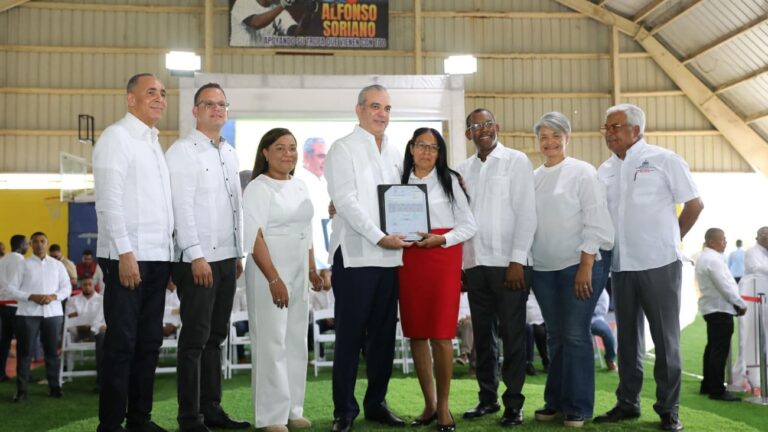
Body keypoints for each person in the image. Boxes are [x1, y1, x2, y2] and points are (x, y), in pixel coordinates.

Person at [594, 103, 703, 432]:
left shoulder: (664, 160)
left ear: (635, 130)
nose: (609, 133)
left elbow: (695, 203)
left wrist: (672, 238)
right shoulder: (605, 170)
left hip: (659, 264)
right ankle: (628, 403)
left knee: (665, 340)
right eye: (607, 128)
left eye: (616, 127)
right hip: (621, 266)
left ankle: (668, 409)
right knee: (627, 339)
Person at [324, 84, 410, 432]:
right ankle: (344, 410)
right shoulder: (342, 149)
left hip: (390, 260)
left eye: (387, 108)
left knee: (384, 338)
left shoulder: (394, 151)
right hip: (356, 257)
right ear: (359, 109)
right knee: (349, 337)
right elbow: (344, 201)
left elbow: (407, 197)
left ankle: (376, 404)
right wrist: (379, 236)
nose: (382, 114)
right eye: (375, 106)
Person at [165, 82, 250, 432]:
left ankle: (212, 409)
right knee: (195, 339)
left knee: (216, 337)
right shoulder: (182, 151)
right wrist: (195, 254)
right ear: (195, 111)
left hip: (227, 257)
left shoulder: (229, 152)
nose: (216, 109)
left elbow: (235, 207)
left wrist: (238, 251)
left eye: (222, 104)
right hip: (195, 259)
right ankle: (190, 418)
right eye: (209, 104)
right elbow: (180, 208)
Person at [93, 72, 175, 432]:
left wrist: (169, 257)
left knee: (149, 343)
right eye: (151, 92)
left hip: (157, 258)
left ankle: (139, 419)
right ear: (130, 99)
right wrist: (125, 252)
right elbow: (109, 201)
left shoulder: (154, 142)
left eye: (163, 93)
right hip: (128, 256)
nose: (159, 98)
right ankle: (110, 425)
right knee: (122, 345)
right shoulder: (117, 137)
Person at [529, 112, 614, 428]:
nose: (549, 142)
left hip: (581, 265)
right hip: (544, 268)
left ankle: (578, 406)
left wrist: (586, 264)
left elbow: (595, 219)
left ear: (567, 138)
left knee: (576, 335)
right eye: (543, 136)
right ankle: (555, 402)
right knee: (555, 336)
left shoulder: (582, 172)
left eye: (555, 135)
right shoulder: (534, 177)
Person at [456, 108, 537, 427]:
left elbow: (527, 213)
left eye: (488, 124)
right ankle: (487, 399)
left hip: (509, 265)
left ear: (497, 127)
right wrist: (462, 262)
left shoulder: (516, 161)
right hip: (476, 264)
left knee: (514, 336)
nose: (483, 129)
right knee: (483, 337)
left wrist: (518, 259)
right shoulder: (462, 170)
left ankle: (514, 404)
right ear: (468, 135)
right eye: (476, 126)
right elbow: (460, 218)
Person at [243, 127, 324, 432]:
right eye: (279, 148)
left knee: (295, 341)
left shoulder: (301, 185)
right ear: (265, 152)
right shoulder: (257, 188)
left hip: (299, 268)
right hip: (269, 270)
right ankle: (270, 417)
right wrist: (273, 279)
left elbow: (308, 231)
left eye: (292, 148)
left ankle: (293, 409)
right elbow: (255, 236)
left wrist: (313, 268)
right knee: (271, 341)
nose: (287, 154)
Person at [398, 127, 477, 431]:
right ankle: (429, 404)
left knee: (441, 335)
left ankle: (444, 407)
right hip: (409, 259)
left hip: (442, 257)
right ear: (411, 148)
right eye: (421, 145)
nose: (427, 152)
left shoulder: (450, 181)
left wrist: (441, 241)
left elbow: (469, 226)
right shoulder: (399, 181)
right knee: (417, 333)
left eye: (434, 147)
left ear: (440, 153)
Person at [4, 231, 71, 401]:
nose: (39, 244)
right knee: (25, 353)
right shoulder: (23, 265)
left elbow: (67, 288)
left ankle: (55, 388)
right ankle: (21, 391)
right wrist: (31, 296)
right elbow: (10, 289)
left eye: (42, 241)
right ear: (31, 244)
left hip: (53, 313)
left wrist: (53, 297)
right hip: (27, 313)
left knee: (52, 353)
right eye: (35, 241)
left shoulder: (57, 265)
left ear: (47, 243)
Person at [695, 228, 747, 402]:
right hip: (719, 308)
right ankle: (716, 389)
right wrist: (740, 303)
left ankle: (708, 385)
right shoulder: (712, 259)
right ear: (711, 241)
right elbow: (725, 285)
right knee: (719, 350)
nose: (725, 243)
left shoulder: (707, 257)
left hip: (713, 308)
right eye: (722, 240)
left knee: (712, 348)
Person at [732, 227, 768, 391]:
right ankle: (747, 378)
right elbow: (755, 269)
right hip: (752, 300)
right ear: (758, 237)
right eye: (764, 235)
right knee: (748, 341)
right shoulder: (752, 252)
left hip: (763, 302)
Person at [295, 137, 330, 267]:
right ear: (306, 156)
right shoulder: (297, 182)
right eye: (321, 156)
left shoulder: (326, 181)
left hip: (327, 257)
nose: (325, 161)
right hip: (308, 259)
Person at [65, 276, 106, 390]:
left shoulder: (102, 300)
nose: (87, 287)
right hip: (77, 331)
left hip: (96, 332)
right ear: (81, 286)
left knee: (103, 336)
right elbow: (72, 319)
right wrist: (87, 324)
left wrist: (91, 325)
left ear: (94, 286)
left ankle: (101, 380)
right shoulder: (72, 300)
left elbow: (103, 320)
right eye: (85, 284)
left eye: (90, 284)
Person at [0, 234, 28, 383]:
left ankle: (1, 373)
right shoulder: (20, 260)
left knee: (4, 341)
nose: (28, 246)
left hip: (2, 305)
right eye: (27, 244)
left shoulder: (2, 259)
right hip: (15, 305)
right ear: (21, 245)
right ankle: (23, 375)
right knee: (23, 341)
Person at [230, 0, 314, 46]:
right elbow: (256, 23)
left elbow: (295, 33)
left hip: (263, 60)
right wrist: (282, 5)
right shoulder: (243, 2)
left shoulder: (279, 10)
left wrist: (308, 14)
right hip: (240, 57)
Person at [591, 290, 617, 372]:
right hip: (574, 321)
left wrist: (586, 311)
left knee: (608, 334)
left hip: (594, 319)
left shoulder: (601, 290)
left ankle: (610, 359)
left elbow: (603, 308)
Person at [524, 292, 548, 376]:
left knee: (540, 332)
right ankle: (528, 362)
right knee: (528, 330)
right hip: (521, 309)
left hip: (537, 308)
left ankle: (546, 360)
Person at [455, 292, 474, 370]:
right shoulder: (453, 295)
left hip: (470, 325)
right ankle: (474, 367)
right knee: (471, 327)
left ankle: (464, 354)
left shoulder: (471, 295)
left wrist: (469, 318)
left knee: (471, 326)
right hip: (455, 326)